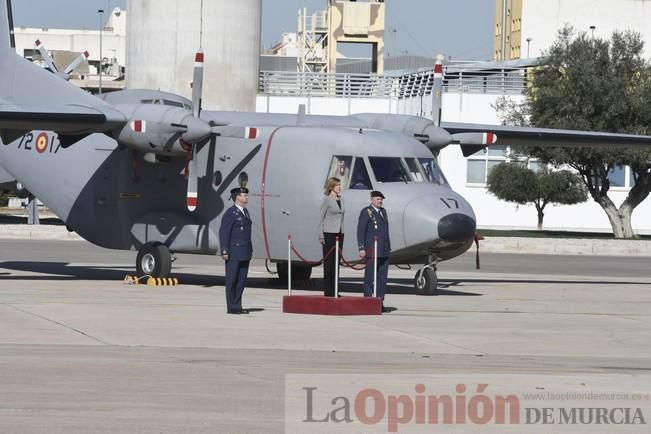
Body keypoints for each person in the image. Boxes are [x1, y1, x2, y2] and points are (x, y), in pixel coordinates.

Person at [219, 187, 252, 314]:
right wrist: (224, 250)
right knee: (232, 279)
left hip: (245, 252)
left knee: (241, 281)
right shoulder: (230, 213)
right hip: (234, 251)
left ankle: (237, 305)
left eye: (246, 195)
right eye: (244, 195)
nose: (246, 197)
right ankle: (232, 307)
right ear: (237, 197)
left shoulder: (245, 212)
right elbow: (224, 233)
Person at [357, 190, 391, 312]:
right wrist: (361, 247)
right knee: (370, 277)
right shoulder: (366, 212)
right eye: (377, 199)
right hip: (372, 249)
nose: (380, 201)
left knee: (382, 278)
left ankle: (379, 302)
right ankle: (367, 301)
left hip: (384, 249)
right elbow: (361, 231)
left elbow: (385, 232)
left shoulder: (383, 212)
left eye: (381, 199)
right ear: (371, 199)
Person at [318, 177, 345, 297]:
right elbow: (320, 218)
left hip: (340, 233)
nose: (339, 187)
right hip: (328, 233)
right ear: (331, 187)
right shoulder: (327, 200)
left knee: (336, 263)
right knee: (329, 263)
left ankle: (335, 290)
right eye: (337, 185)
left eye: (340, 185)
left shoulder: (342, 199)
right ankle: (328, 291)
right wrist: (320, 235)